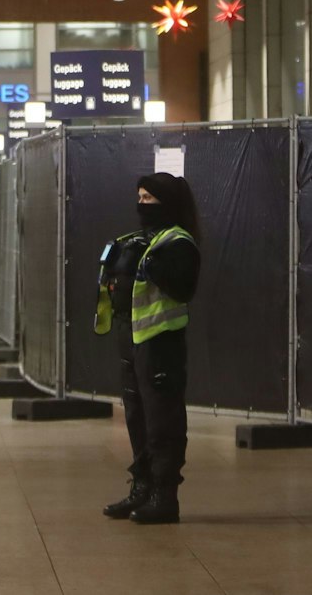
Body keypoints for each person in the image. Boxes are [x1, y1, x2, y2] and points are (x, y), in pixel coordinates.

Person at [96, 171, 201, 525]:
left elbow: (183, 288)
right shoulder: (138, 239)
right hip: (133, 339)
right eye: (139, 198)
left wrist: (153, 266)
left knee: (163, 422)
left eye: (148, 199)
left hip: (161, 344)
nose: (141, 205)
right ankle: (142, 487)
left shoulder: (178, 241)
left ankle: (164, 495)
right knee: (137, 418)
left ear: (166, 203)